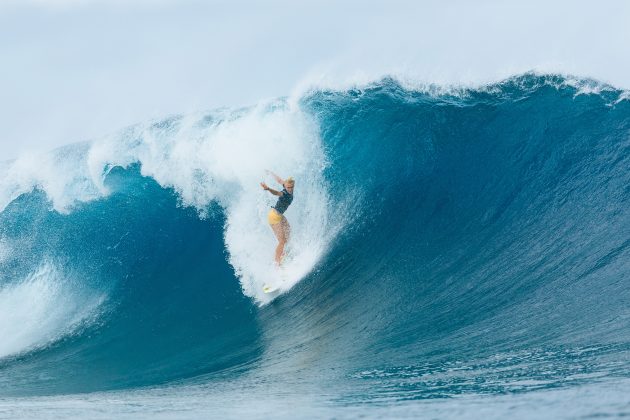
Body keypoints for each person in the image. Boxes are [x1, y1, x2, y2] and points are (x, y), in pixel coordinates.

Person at [260, 170, 294, 265]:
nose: (289, 189)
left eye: (291, 187)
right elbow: (277, 193)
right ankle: (277, 263)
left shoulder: (286, 185)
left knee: (288, 231)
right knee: (282, 241)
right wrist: (268, 189)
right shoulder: (284, 193)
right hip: (274, 217)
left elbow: (279, 180)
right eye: (288, 187)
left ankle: (282, 253)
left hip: (279, 215)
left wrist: (270, 173)